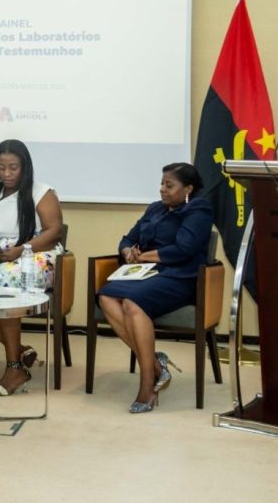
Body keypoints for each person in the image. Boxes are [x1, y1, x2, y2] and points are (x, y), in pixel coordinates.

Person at [97, 162, 213, 413]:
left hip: (180, 276)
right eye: (162, 184)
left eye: (169, 185)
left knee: (132, 303)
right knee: (105, 296)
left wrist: (144, 257)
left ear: (188, 189)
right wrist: (128, 252)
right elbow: (128, 239)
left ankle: (147, 384)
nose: (162, 189)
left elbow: (183, 249)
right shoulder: (155, 209)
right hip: (146, 273)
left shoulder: (199, 209)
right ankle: (156, 366)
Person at [0, 139, 63, 396]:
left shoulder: (41, 192)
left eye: (13, 167)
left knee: (1, 287)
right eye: (2, 168)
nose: (7, 174)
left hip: (33, 258)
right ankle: (19, 352)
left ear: (25, 167)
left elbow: (54, 231)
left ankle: (14, 368)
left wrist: (20, 251)